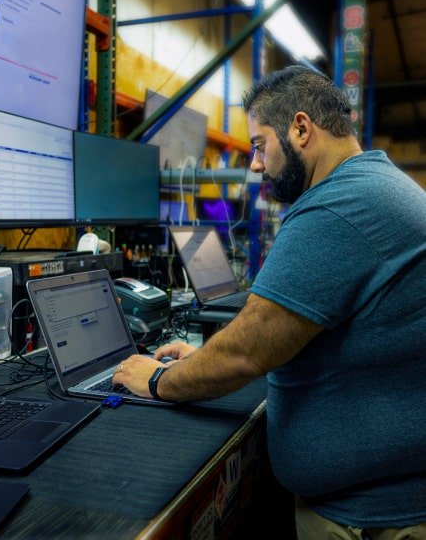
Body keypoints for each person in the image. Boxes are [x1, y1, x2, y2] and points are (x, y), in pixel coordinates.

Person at [113, 65, 426, 539]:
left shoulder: (339, 206)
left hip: (372, 518)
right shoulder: (371, 186)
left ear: (301, 129)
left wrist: (159, 380)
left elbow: (246, 351)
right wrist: (204, 358)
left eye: (260, 145)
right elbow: (297, 335)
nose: (255, 164)